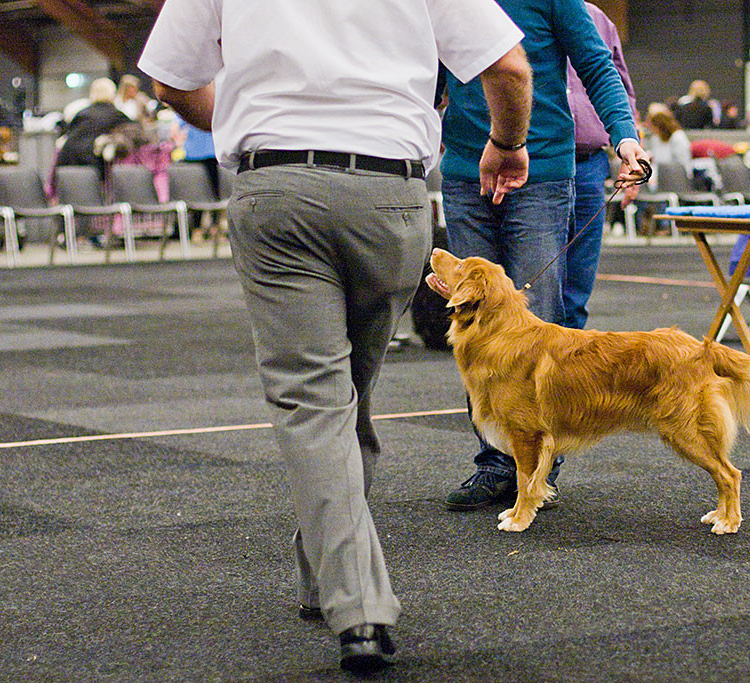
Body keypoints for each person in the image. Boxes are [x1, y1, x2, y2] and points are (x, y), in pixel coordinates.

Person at [138, 0, 532, 673]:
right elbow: (510, 68)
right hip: (392, 197)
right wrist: (507, 141)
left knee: (319, 403)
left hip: (278, 191)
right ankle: (330, 580)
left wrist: (239, 118)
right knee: (346, 396)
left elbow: (172, 79)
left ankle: (360, 609)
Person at [439, 0, 649, 512]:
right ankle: (495, 464)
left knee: (540, 318)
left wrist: (625, 138)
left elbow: (599, 67)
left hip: (543, 170)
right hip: (464, 171)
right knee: (473, 324)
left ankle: (537, 466)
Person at [564, 1, 639, 330]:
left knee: (577, 285)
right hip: (533, 162)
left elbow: (621, 91)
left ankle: (569, 375)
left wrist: (630, 150)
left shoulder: (599, 20)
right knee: (534, 281)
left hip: (590, 163)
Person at [54, 78, 131, 169]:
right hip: (98, 168)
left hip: (68, 164)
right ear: (113, 94)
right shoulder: (118, 116)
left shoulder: (81, 114)